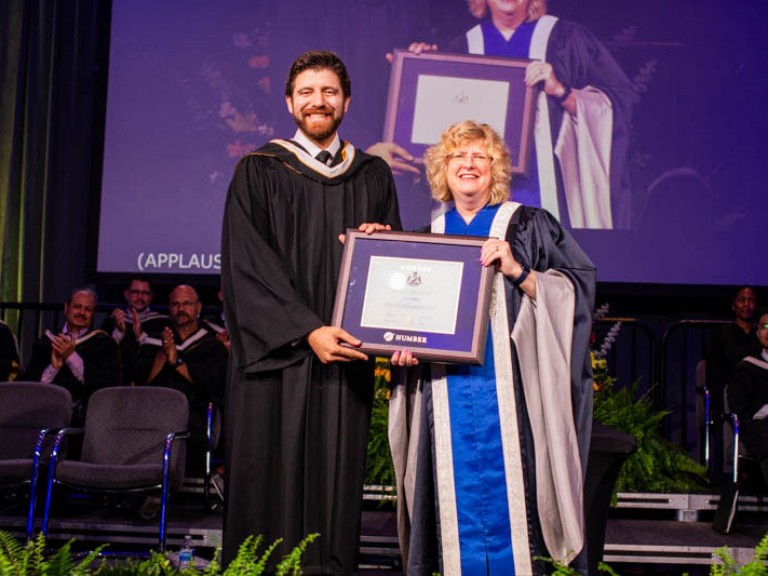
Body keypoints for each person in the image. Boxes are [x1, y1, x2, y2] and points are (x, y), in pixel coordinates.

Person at [220, 50, 402, 573]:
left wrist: (387, 246)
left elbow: (398, 269)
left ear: (345, 102)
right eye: (306, 92)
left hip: (345, 355)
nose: (317, 101)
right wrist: (307, 331)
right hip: (279, 360)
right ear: (289, 103)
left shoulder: (372, 175)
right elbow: (246, 266)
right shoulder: (259, 171)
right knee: (266, 478)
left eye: (328, 92)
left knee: (332, 482)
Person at [388, 120, 595, 574]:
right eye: (458, 156)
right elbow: (404, 319)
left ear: (495, 168)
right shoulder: (424, 237)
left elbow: (576, 289)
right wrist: (402, 350)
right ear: (442, 169)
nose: (468, 164)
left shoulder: (531, 225)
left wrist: (519, 270)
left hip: (512, 398)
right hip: (444, 398)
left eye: (479, 156)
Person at [373, 0, 637, 230]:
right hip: (476, 200)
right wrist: (423, 68)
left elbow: (617, 106)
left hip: (550, 197)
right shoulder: (461, 47)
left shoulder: (567, 39)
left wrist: (561, 91)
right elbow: (436, 135)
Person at [144, 284, 227, 475]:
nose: (181, 309)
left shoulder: (212, 344)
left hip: (193, 414)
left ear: (198, 307)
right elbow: (142, 383)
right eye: (175, 304)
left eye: (187, 304)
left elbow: (213, 384)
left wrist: (177, 362)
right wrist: (162, 357)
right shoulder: (155, 339)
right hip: (155, 411)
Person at [25, 288, 121, 423]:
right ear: (66, 308)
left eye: (88, 309)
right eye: (77, 307)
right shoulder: (46, 342)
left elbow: (106, 385)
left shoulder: (104, 344)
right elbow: (31, 386)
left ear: (93, 314)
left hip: (85, 420)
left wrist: (70, 357)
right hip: (44, 415)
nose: (82, 313)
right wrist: (54, 368)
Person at [703, 286, 760, 481]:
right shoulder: (722, 335)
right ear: (733, 305)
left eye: (751, 301)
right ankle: (734, 469)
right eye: (742, 300)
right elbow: (713, 371)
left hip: (757, 397)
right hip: (730, 395)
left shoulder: (759, 337)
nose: (746, 305)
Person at [725, 308, 768, 489]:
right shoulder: (747, 368)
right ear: (757, 333)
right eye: (765, 326)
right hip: (758, 426)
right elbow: (739, 407)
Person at [102, 277, 171, 385]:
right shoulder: (111, 322)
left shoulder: (162, 322)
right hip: (118, 386)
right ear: (126, 294)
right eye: (135, 292)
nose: (140, 297)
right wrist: (120, 332)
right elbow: (103, 355)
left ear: (151, 296)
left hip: (153, 386)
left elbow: (166, 353)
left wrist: (141, 336)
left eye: (145, 293)